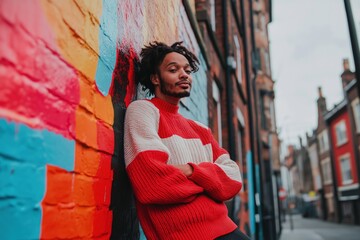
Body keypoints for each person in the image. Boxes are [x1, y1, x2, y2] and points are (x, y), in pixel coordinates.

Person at [124, 41, 250, 240]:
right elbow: (152, 184)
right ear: (155, 78)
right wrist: (210, 183)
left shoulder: (201, 130)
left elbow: (233, 179)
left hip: (228, 230)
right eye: (173, 69)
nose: (184, 75)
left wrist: (191, 171)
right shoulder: (143, 111)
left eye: (187, 70)